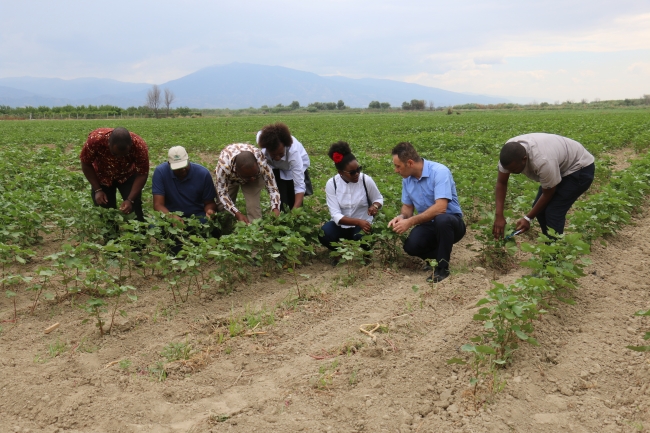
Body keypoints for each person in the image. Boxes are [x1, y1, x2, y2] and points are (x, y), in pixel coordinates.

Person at [388, 142, 466, 283]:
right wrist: (401, 217)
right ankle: (436, 258)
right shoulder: (407, 180)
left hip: (451, 224)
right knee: (411, 246)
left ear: (410, 163)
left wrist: (410, 221)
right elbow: (407, 207)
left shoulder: (439, 172)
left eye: (398, 166)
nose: (396, 170)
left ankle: (442, 268)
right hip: (429, 223)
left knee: (442, 220)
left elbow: (441, 208)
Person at [492, 133, 595, 239]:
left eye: (513, 170)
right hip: (559, 163)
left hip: (579, 166)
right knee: (540, 210)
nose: (510, 172)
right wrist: (499, 215)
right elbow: (501, 182)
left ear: (524, 159)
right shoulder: (508, 156)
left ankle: (554, 251)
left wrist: (527, 218)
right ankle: (549, 243)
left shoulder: (542, 161)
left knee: (553, 212)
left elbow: (548, 193)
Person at [318, 142, 383, 260]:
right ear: (341, 172)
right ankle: (339, 253)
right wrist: (358, 222)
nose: (357, 174)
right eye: (352, 172)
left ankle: (366, 254)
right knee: (324, 233)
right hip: (342, 226)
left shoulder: (365, 180)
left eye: (358, 169)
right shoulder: (332, 184)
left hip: (363, 224)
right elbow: (336, 215)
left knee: (362, 236)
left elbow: (378, 198)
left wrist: (375, 206)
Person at [152, 146, 220, 254]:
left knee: (207, 224)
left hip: (196, 217)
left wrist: (210, 211)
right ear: (169, 164)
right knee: (154, 225)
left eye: (184, 166)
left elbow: (209, 202)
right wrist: (172, 217)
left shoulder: (202, 173)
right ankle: (177, 243)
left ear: (188, 160)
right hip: (172, 217)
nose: (182, 170)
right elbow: (158, 205)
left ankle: (188, 242)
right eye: (177, 168)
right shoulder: (160, 172)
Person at [79, 127, 149, 222]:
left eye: (124, 154)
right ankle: (110, 236)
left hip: (127, 175)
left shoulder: (139, 145)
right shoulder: (95, 140)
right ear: (108, 144)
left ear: (130, 145)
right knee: (106, 212)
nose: (119, 157)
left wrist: (130, 200)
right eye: (115, 154)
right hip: (102, 175)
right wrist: (97, 189)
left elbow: (142, 173)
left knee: (135, 211)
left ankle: (136, 234)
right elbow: (86, 163)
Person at [215, 143, 281, 224]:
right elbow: (222, 193)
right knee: (222, 208)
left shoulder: (261, 162)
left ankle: (255, 231)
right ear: (237, 171)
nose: (252, 179)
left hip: (248, 172)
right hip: (230, 178)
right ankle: (225, 231)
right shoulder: (223, 167)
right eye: (248, 177)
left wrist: (275, 207)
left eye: (254, 175)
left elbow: (272, 187)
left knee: (253, 207)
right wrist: (237, 214)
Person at [256, 123, 312, 211]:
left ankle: (296, 215)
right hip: (276, 168)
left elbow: (299, 186)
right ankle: (280, 214)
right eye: (273, 154)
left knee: (293, 195)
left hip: (292, 166)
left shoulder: (293, 153)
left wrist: (295, 211)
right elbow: (272, 188)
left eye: (280, 154)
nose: (278, 157)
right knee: (281, 197)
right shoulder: (264, 144)